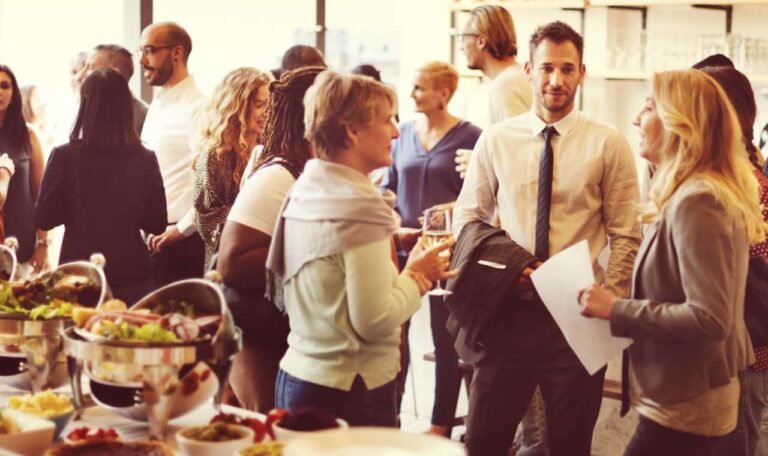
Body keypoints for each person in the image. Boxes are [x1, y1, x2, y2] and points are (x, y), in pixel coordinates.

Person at [452, 21, 641, 456]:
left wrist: (609, 302)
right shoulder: (496, 140)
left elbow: (626, 234)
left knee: (570, 447)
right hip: (506, 312)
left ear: (582, 73)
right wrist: (506, 268)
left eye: (568, 69)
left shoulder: (608, 144)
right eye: (547, 68)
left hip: (576, 319)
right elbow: (468, 216)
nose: (557, 80)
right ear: (528, 70)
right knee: (482, 442)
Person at [579, 68, 765, 456]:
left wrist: (616, 308)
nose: (636, 119)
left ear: (680, 123)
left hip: (688, 402)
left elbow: (709, 317)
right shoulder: (694, 189)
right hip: (683, 396)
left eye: (648, 108)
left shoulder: (699, 200)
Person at [267, 70, 456, 426]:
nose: (396, 132)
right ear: (352, 131)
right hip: (349, 389)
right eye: (386, 120)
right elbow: (374, 321)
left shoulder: (307, 188)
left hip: (299, 376)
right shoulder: (358, 207)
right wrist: (419, 275)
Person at [382, 60, 481, 437]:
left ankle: (440, 423)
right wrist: (393, 225)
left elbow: (481, 194)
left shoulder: (472, 137)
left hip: (447, 252)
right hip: (401, 249)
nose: (411, 94)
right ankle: (389, 417)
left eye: (420, 87)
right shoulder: (401, 134)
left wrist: (451, 209)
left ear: (444, 93)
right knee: (394, 335)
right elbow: (387, 188)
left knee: (445, 338)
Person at [217, 66, 322, 412]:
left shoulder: (306, 169)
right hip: (258, 327)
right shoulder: (277, 174)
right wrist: (317, 249)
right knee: (268, 422)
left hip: (282, 325)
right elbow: (231, 263)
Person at [34, 68, 167, 304]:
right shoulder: (145, 158)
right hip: (133, 272)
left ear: (86, 105)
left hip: (78, 273)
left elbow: (43, 218)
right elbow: (156, 223)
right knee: (130, 328)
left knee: (76, 328)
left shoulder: (64, 156)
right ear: (125, 107)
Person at [698, 65, 768, 456]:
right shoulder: (731, 177)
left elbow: (744, 279)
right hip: (735, 351)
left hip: (745, 355)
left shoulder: (745, 184)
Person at [139, 21, 207, 286]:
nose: (142, 61)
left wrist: (181, 230)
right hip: (152, 238)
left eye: (149, 51)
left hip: (181, 242)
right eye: (140, 52)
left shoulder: (199, 108)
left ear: (176, 53)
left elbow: (211, 182)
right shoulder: (158, 104)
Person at [192, 67, 271, 271]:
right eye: (259, 105)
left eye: (269, 104)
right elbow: (206, 219)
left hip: (264, 259)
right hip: (227, 263)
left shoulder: (271, 149)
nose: (267, 112)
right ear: (237, 108)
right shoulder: (214, 155)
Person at [0, 65, 48, 277]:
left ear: (14, 93)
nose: (0, 92)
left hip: (24, 245)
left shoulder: (29, 135)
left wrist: (44, 243)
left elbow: (42, 195)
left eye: (4, 86)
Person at [459, 4, 531, 125]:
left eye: (463, 38)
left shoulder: (505, 86)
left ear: (481, 41)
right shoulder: (518, 77)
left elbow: (512, 136)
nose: (461, 47)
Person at [77, 44, 149, 136]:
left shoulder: (143, 118)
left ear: (114, 74)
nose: (79, 76)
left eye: (90, 67)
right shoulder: (86, 107)